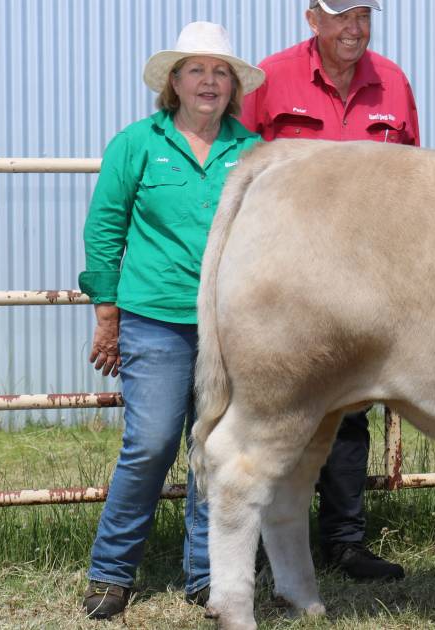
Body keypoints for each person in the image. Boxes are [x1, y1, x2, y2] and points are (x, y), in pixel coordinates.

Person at [78, 21, 264, 619]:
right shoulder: (136, 143)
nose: (208, 82)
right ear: (175, 83)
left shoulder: (253, 150)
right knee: (151, 443)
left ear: (232, 85)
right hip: (153, 319)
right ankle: (110, 572)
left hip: (229, 324)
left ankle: (209, 576)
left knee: (217, 448)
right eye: (195, 70)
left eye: (219, 72)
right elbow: (106, 227)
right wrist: (107, 311)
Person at [240, 0, 417, 582]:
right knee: (284, 406)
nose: (354, 28)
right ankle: (271, 546)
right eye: (342, 15)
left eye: (364, 15)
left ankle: (345, 541)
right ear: (312, 17)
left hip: (368, 273)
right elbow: (236, 170)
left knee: (350, 404)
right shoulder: (270, 79)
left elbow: (415, 179)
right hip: (290, 275)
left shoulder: (392, 82)